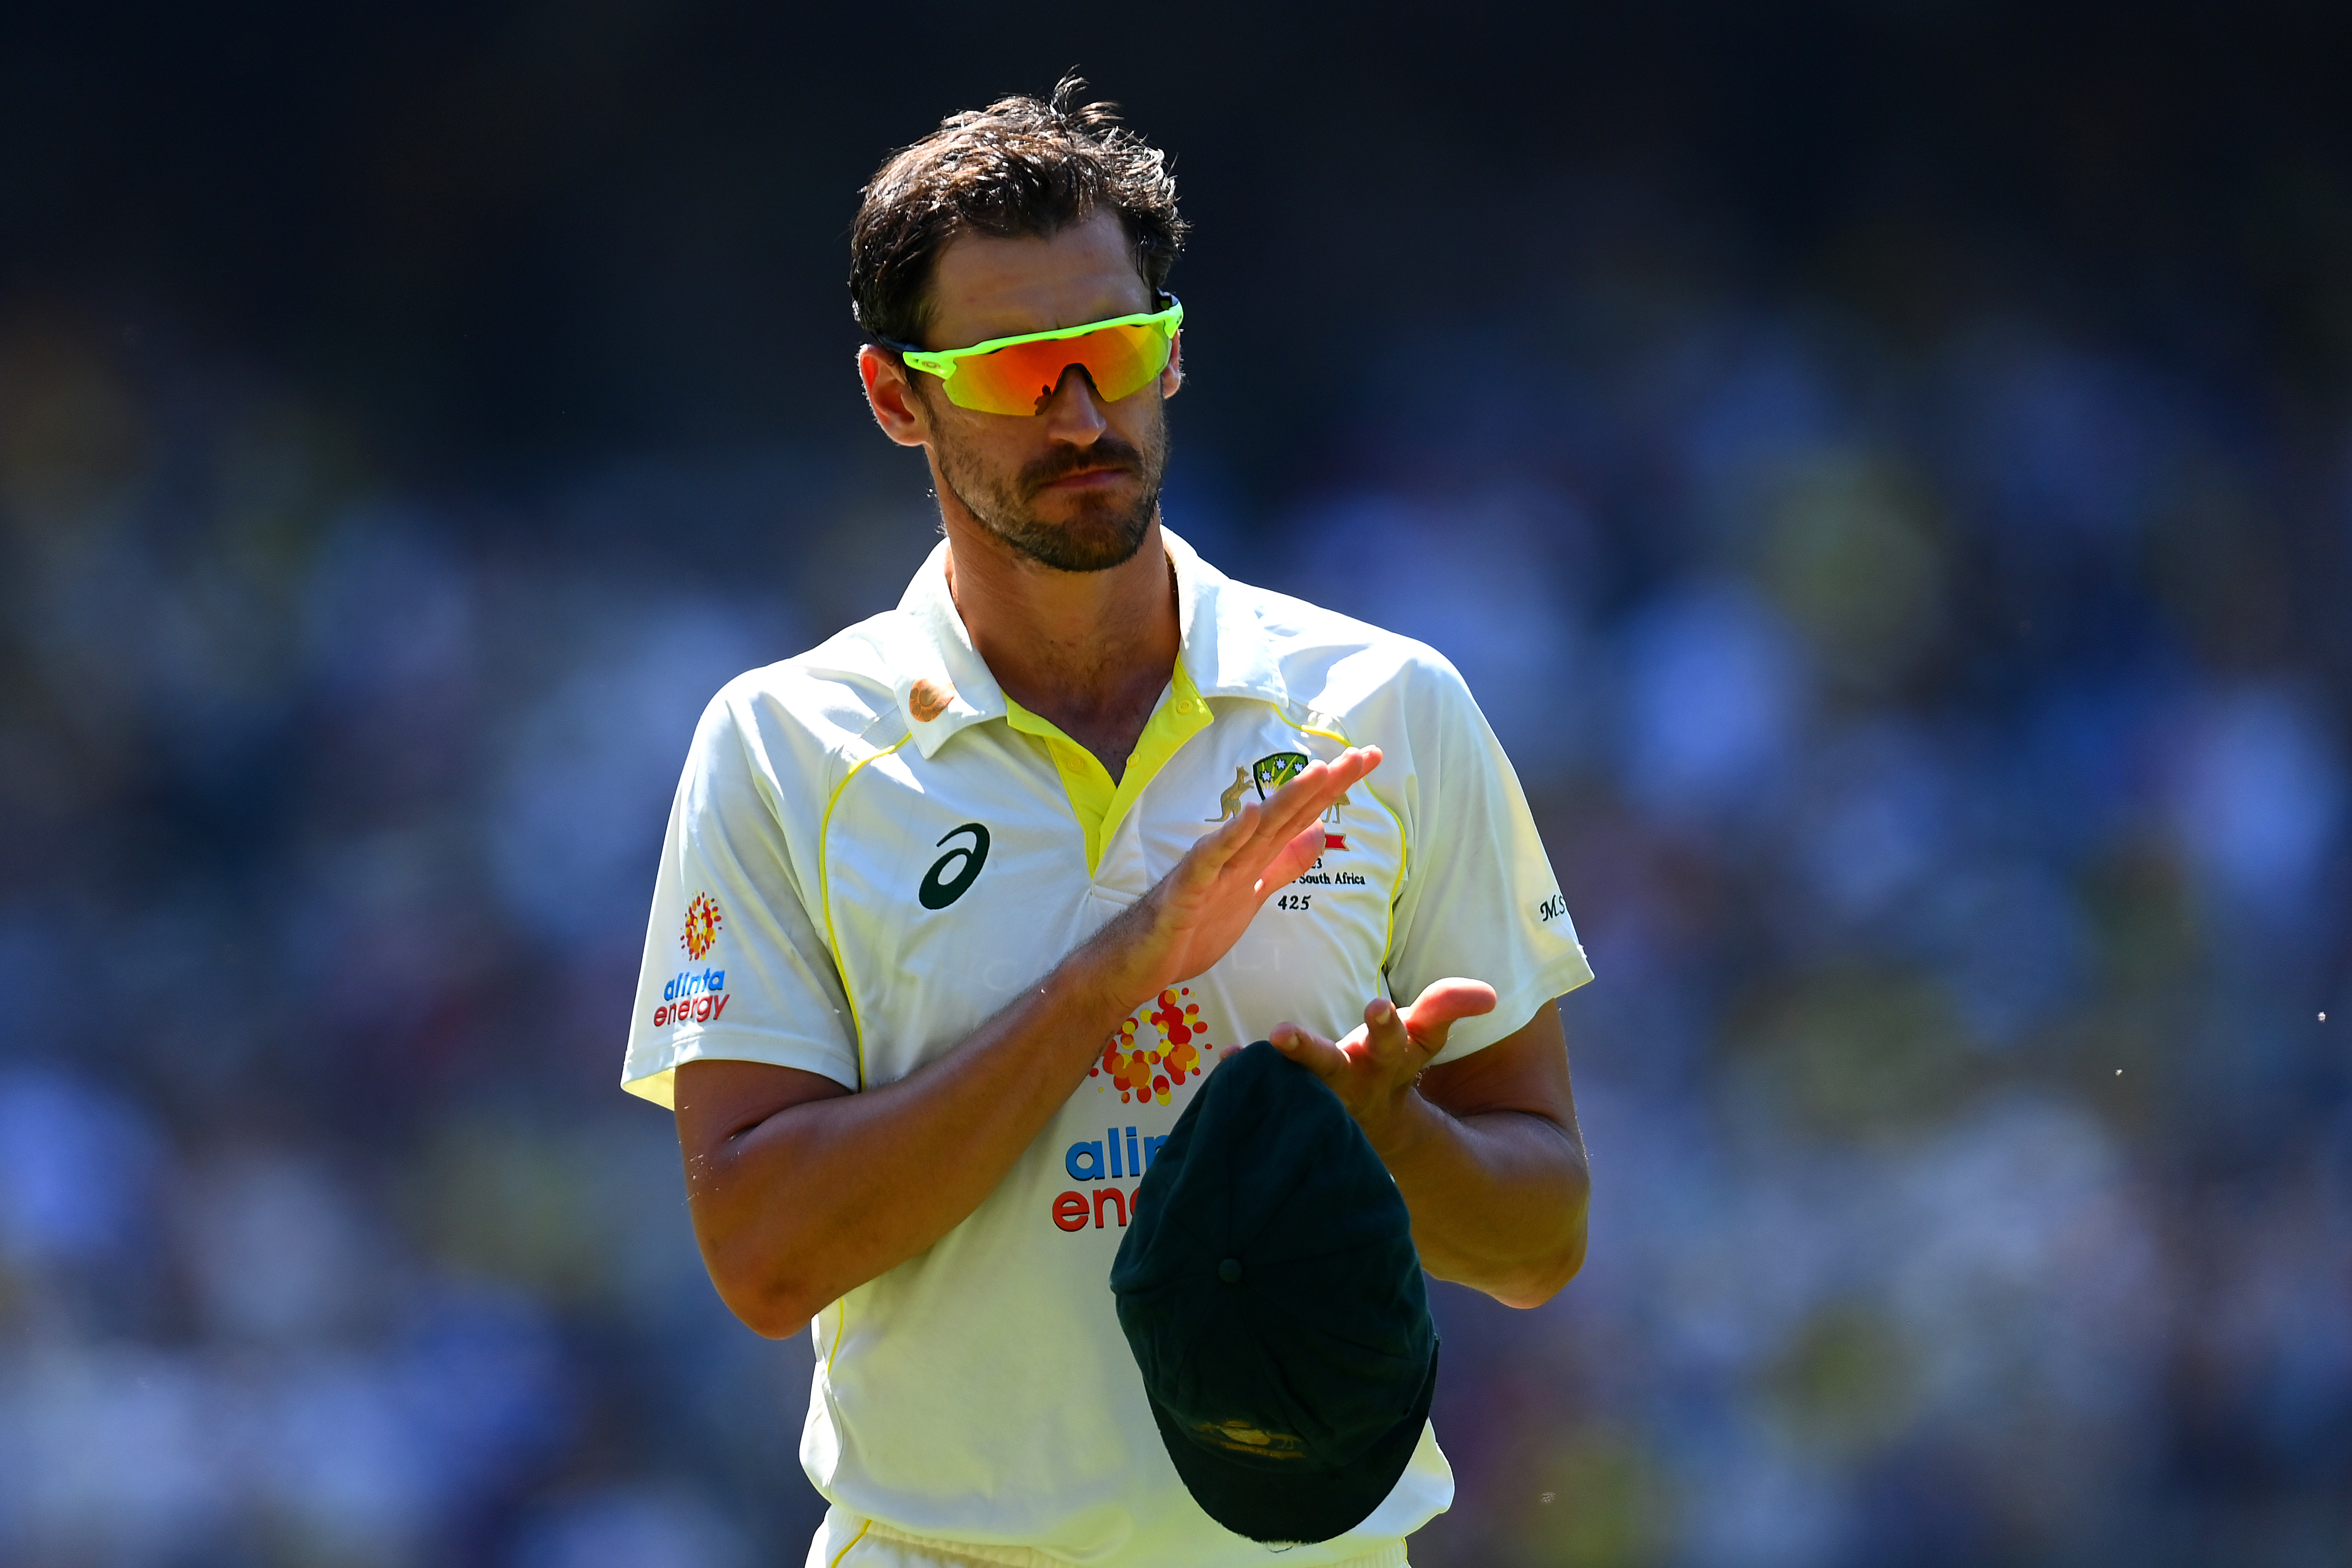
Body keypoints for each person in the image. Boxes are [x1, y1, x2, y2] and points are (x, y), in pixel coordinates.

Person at [622, 76, 1595, 1568]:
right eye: (1018, 370)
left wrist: (1390, 1133)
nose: (1081, 413)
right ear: (899, 395)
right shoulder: (780, 746)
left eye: (1115, 352)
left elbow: (1541, 1241)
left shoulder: (1389, 706)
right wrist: (1109, 975)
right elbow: (763, 1252)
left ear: (1173, 354)